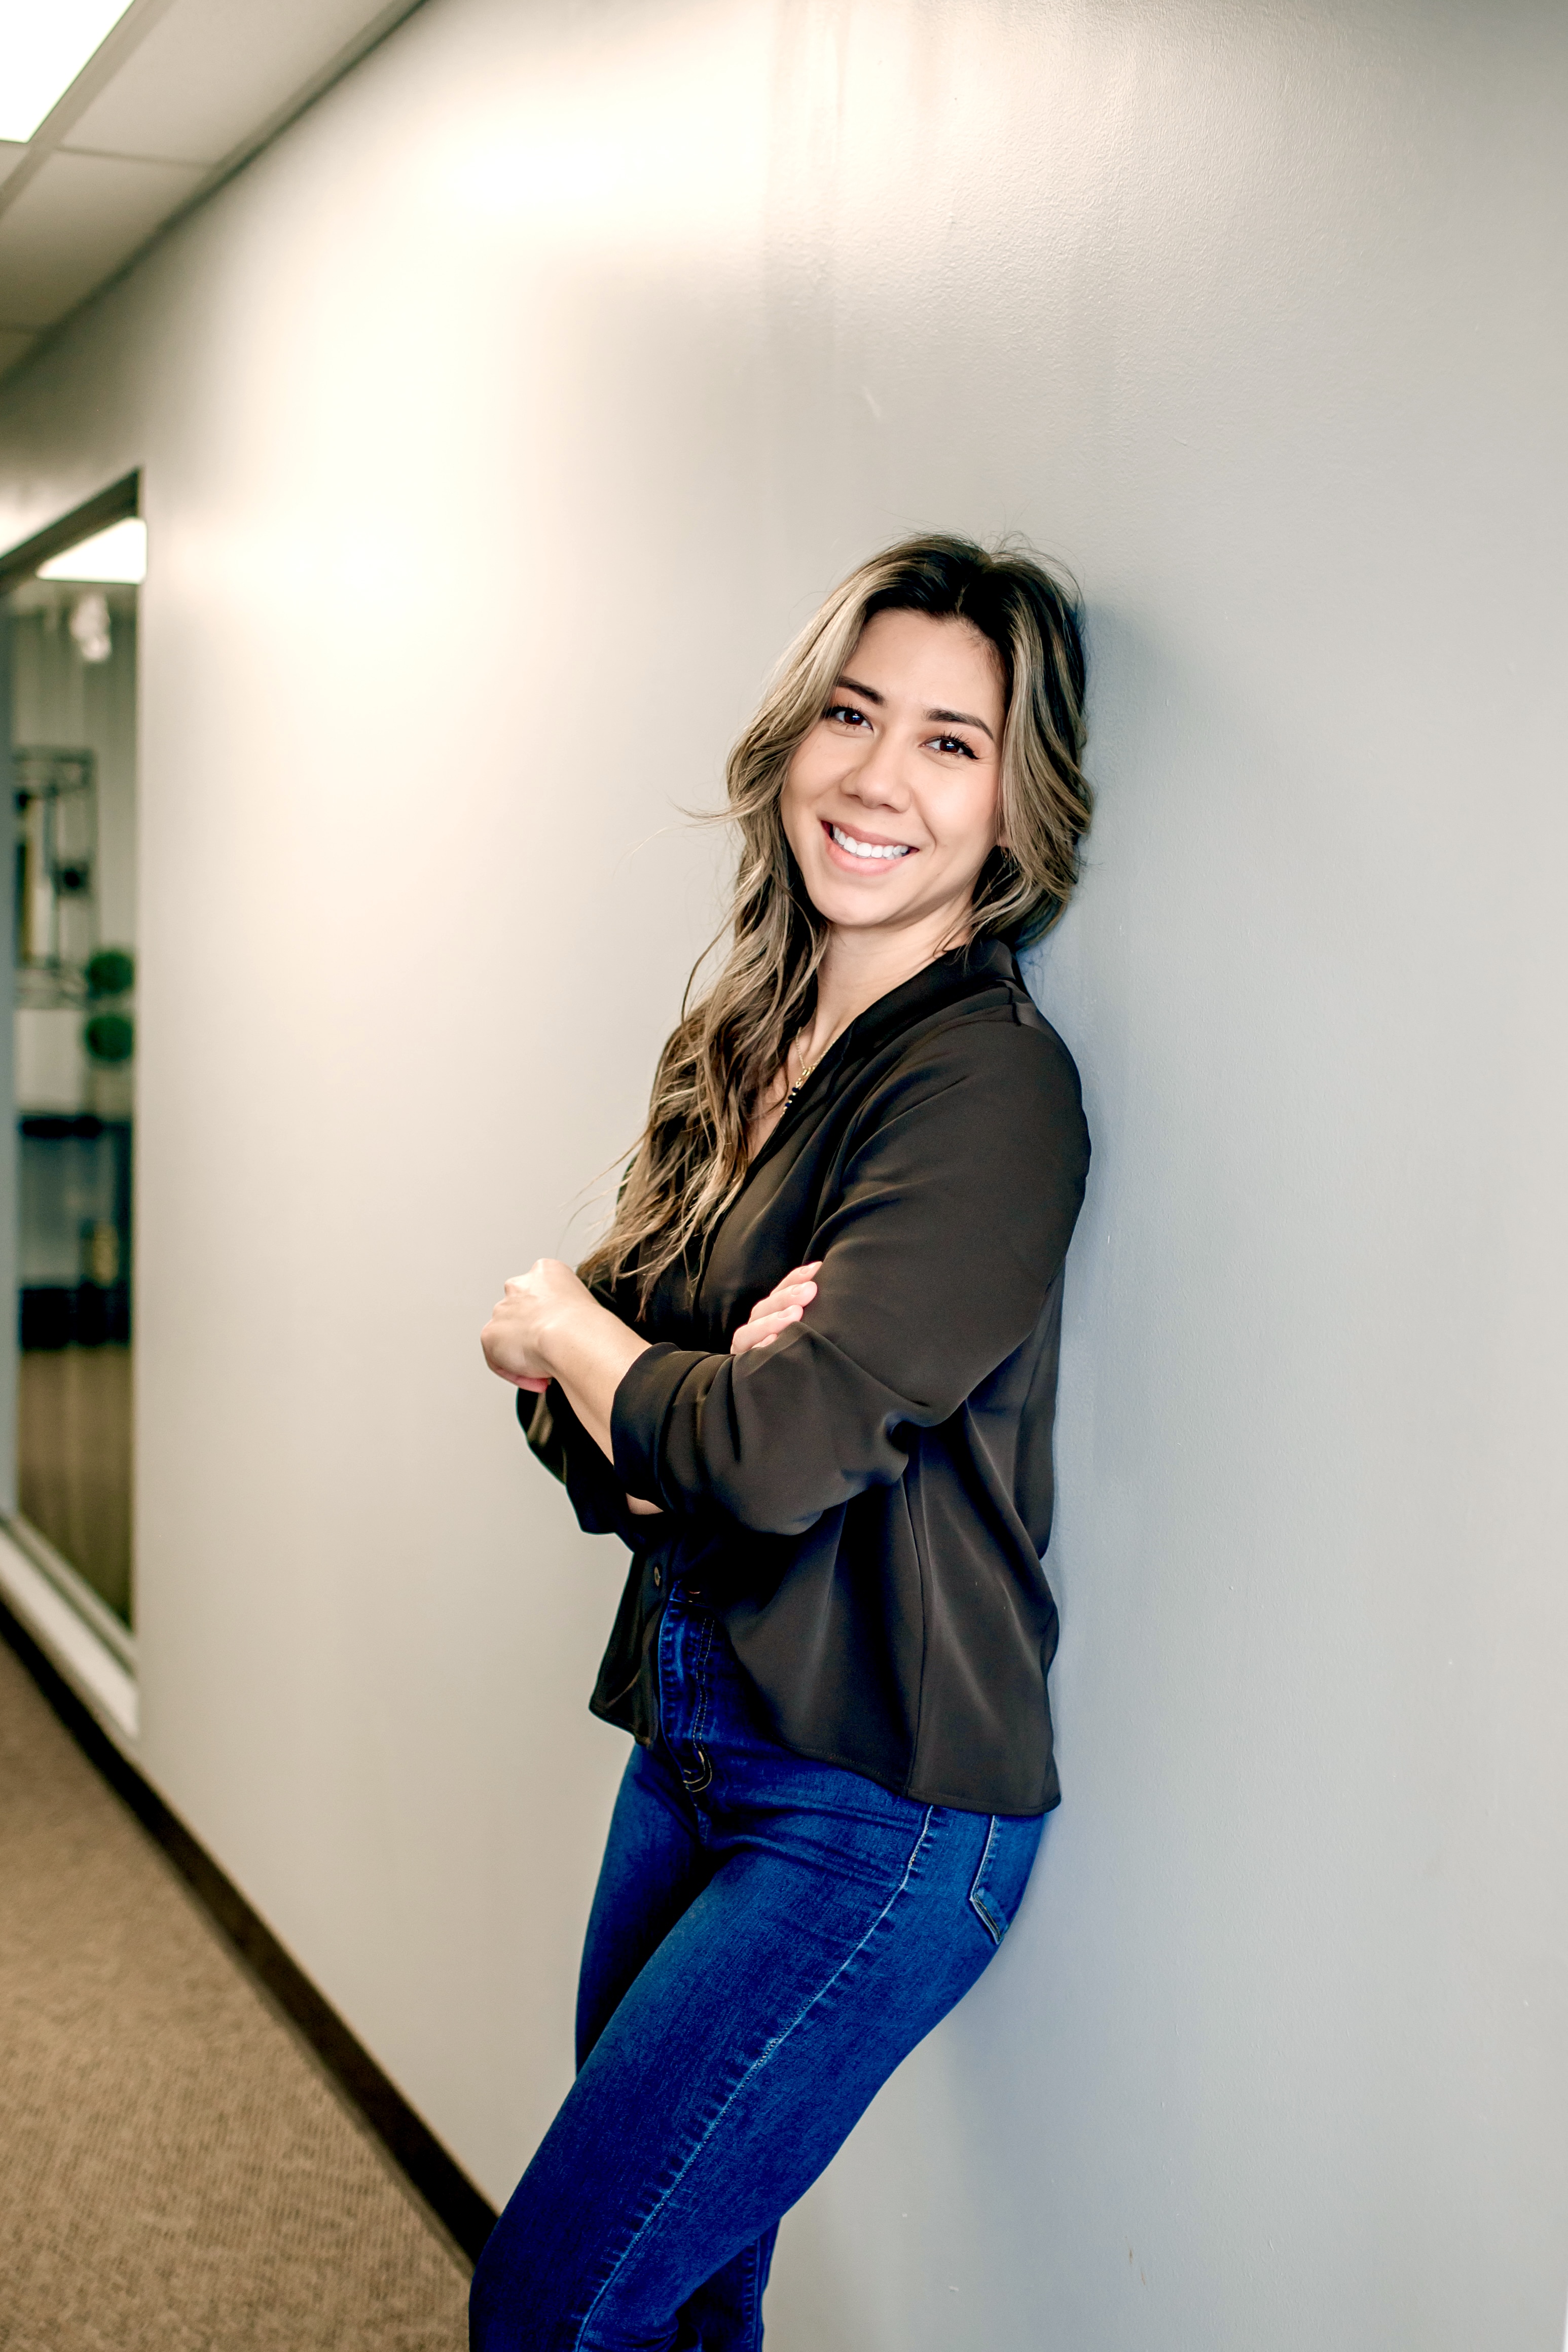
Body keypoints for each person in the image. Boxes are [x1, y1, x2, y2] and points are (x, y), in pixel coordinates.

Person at [472, 534, 1092, 2350]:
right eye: (852, 711)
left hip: (879, 1806)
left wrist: (598, 1346)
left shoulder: (987, 1089)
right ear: (794, 736)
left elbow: (742, 1445)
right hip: (691, 1738)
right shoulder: (749, 1044)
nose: (879, 777)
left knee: (552, 2305)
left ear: (1016, 805)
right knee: (675, 2309)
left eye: (952, 743)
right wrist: (658, 1401)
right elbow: (621, 1457)